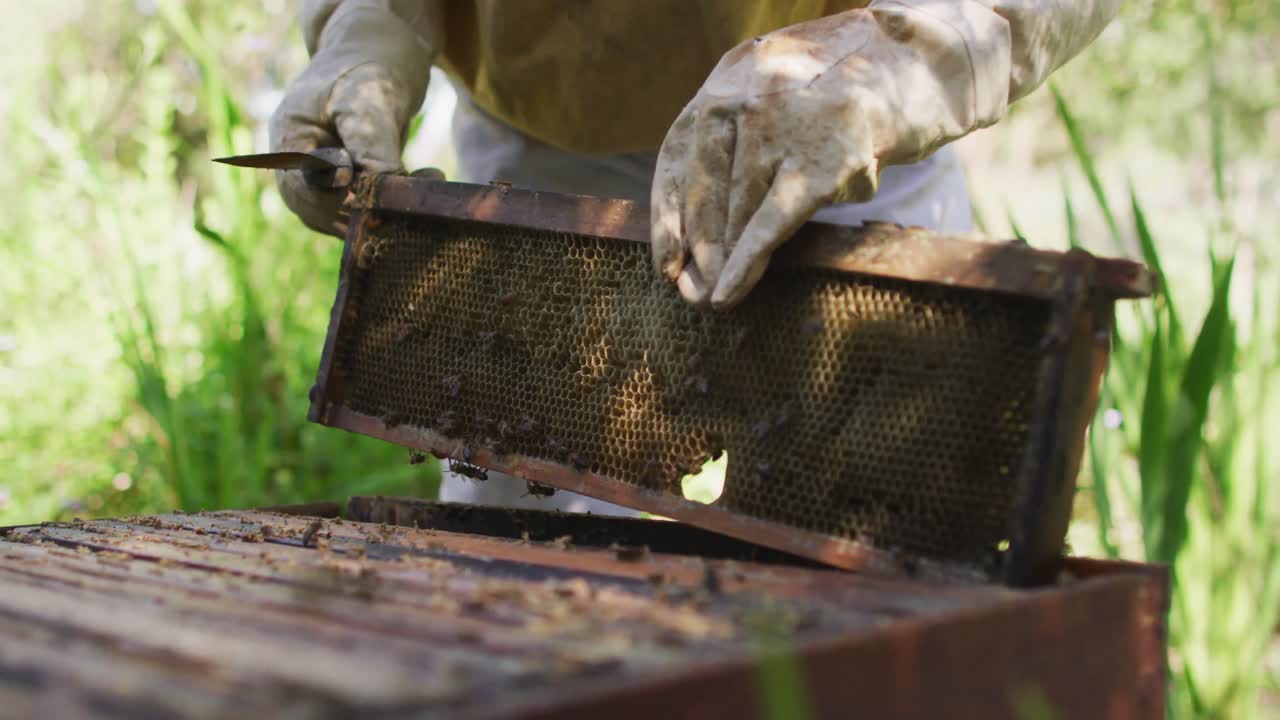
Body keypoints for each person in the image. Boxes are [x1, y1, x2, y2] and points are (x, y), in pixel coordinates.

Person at [271, 0, 1119, 515]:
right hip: (553, 130)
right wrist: (366, 30)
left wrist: (907, 59)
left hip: (843, 113)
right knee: (517, 550)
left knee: (883, 535)